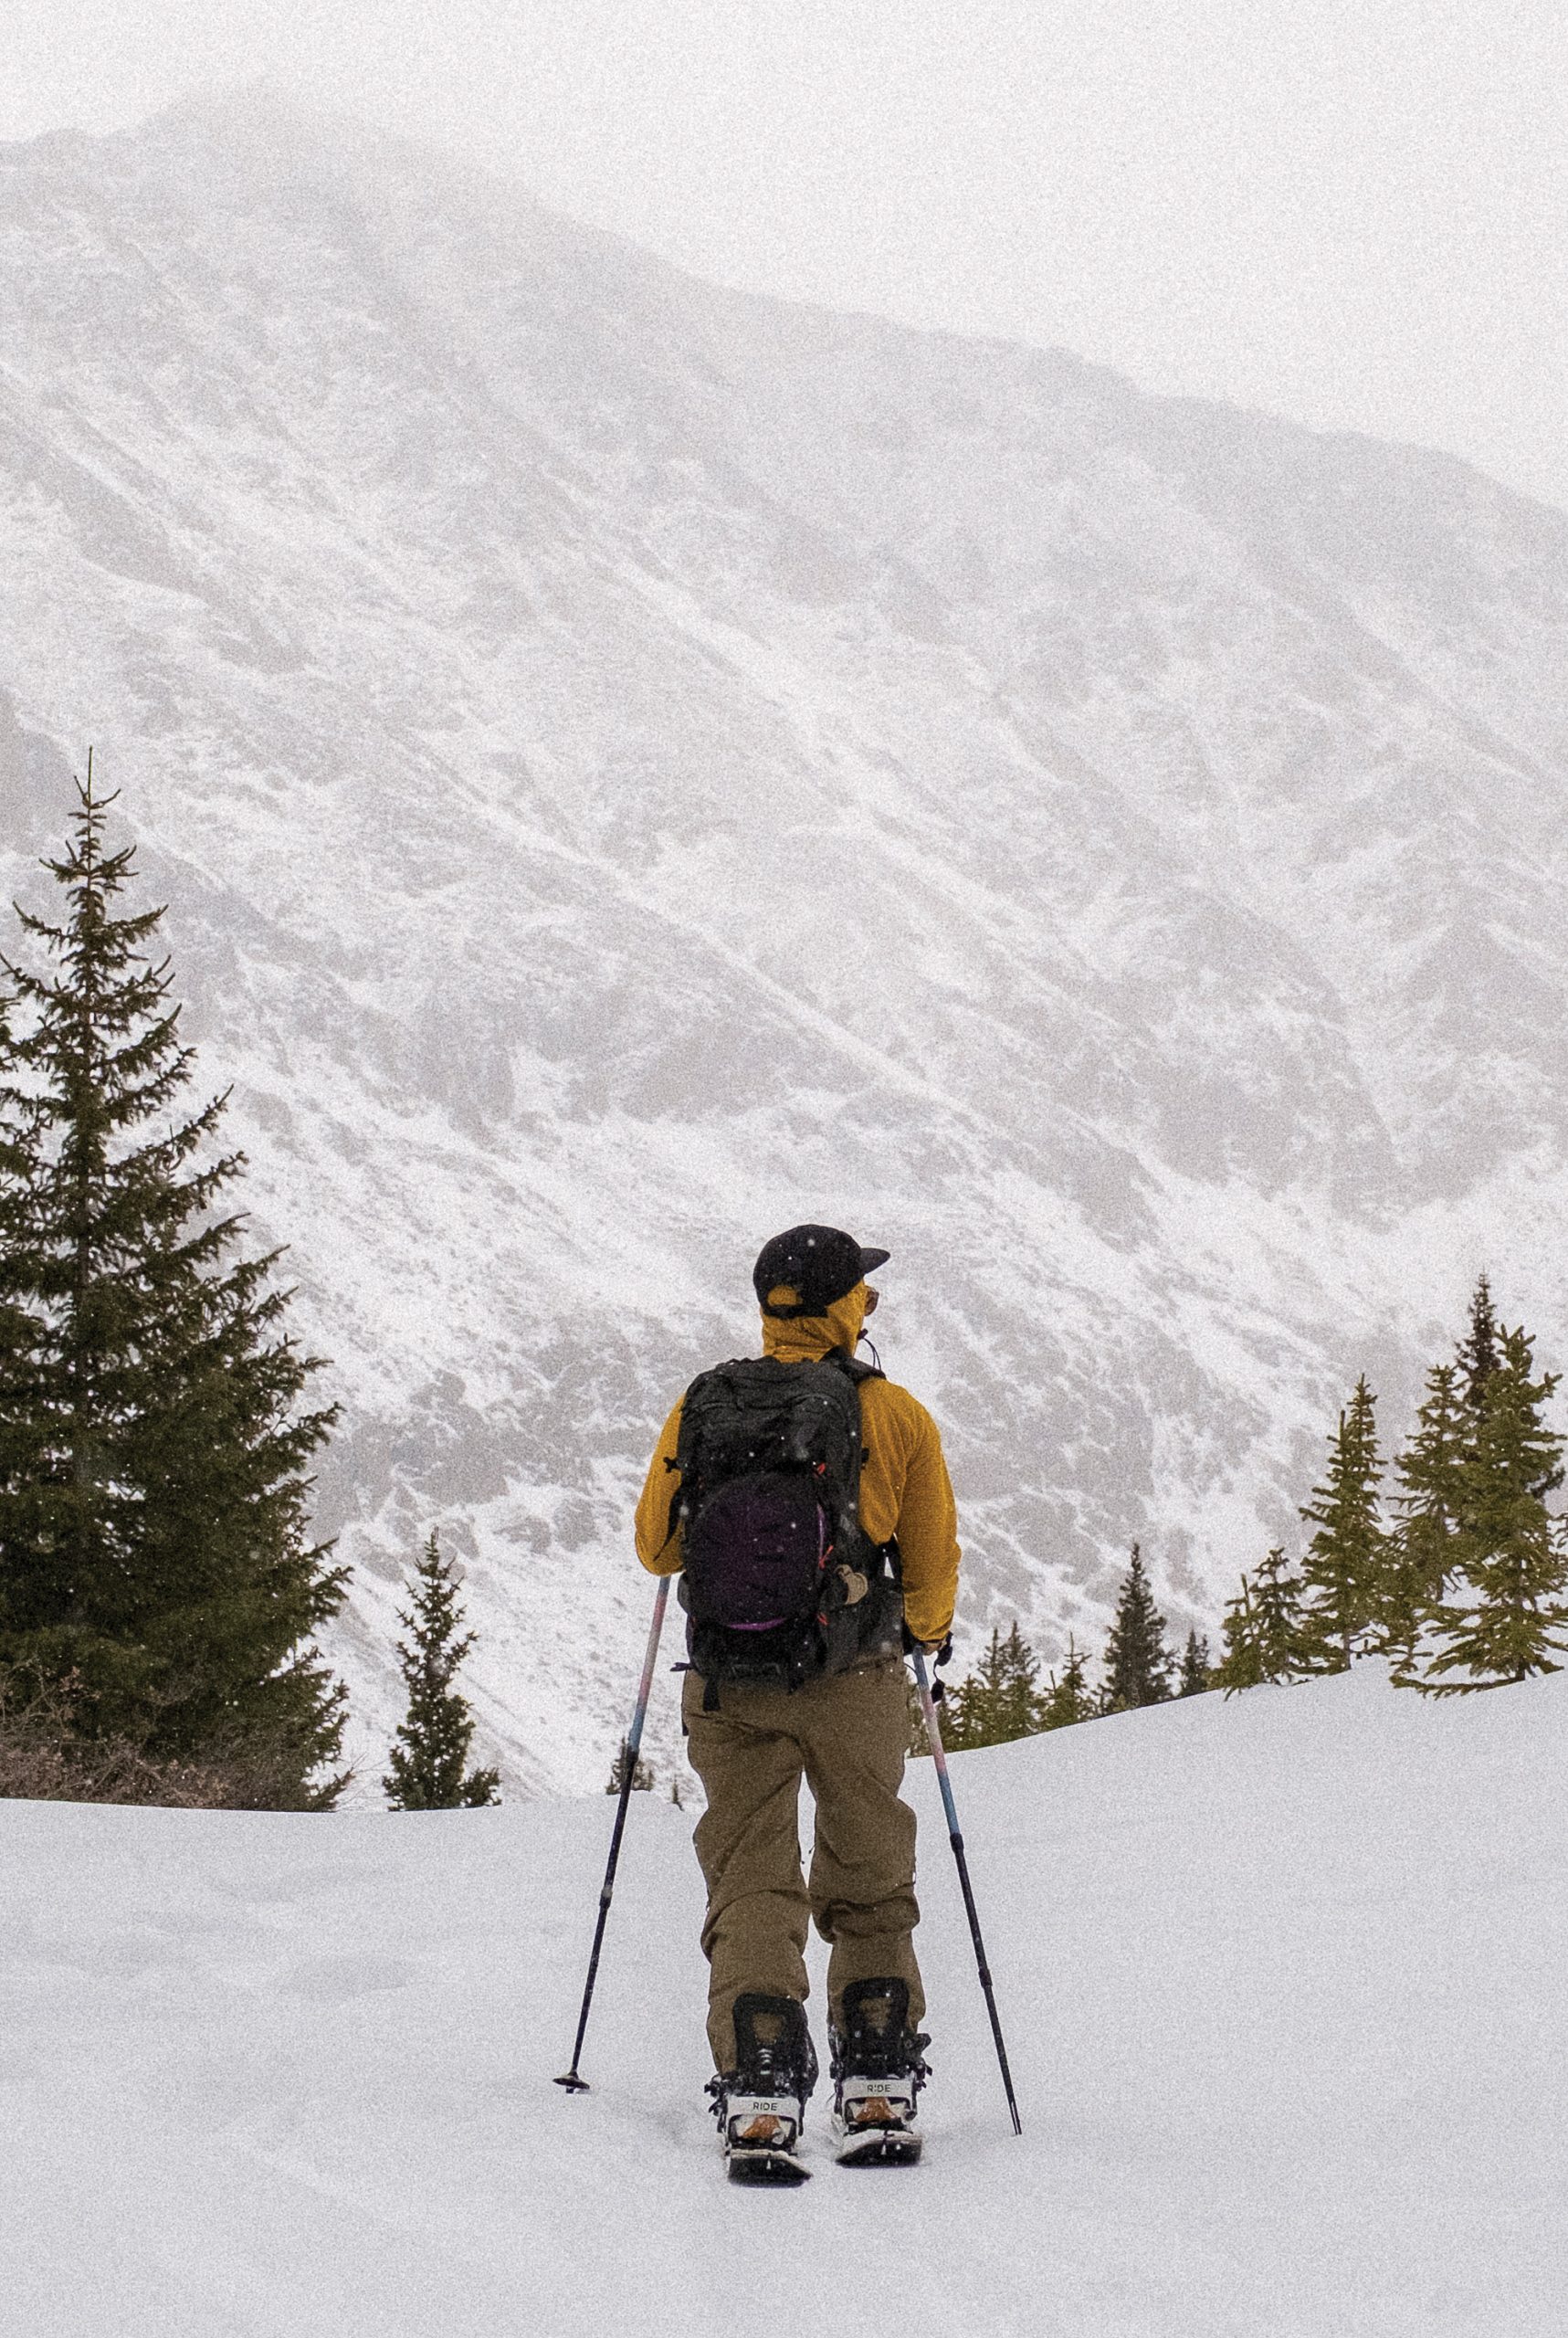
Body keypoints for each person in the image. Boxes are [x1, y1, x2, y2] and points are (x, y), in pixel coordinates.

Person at [635, 1224, 961, 2181]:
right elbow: (932, 1564)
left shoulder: (703, 1401)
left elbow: (657, 1547)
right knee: (867, 1870)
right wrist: (924, 1631)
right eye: (863, 1289)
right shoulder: (892, 1413)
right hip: (854, 1680)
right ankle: (875, 2081)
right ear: (841, 1305)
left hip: (730, 1685)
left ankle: (762, 2087)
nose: (873, 1301)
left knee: (750, 1880)